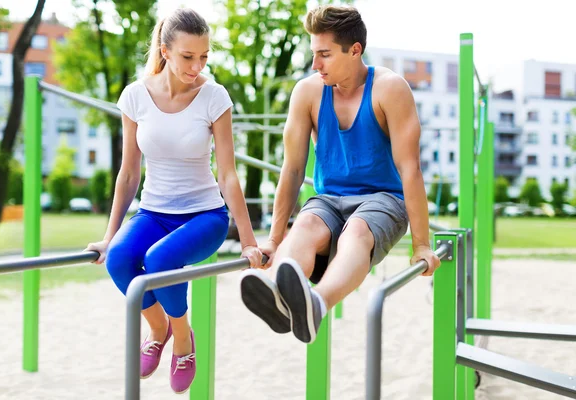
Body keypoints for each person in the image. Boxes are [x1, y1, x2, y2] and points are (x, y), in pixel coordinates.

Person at [85, 8, 263, 394]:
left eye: (203, 57)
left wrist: (248, 240)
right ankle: (159, 328)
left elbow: (228, 174)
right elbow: (129, 173)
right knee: (119, 259)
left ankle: (183, 342)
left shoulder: (214, 96)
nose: (197, 66)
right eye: (188, 57)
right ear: (165, 51)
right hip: (153, 212)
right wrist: (108, 235)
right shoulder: (135, 96)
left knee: (162, 260)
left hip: (204, 216)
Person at [239, 5, 441, 344]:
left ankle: (317, 304)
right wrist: (274, 240)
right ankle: (277, 293)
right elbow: (291, 170)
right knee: (303, 225)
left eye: (324, 55)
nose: (315, 64)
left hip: (384, 199)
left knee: (356, 232)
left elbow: (410, 170)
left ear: (355, 50)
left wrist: (422, 244)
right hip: (329, 199)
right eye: (313, 54)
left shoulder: (390, 89)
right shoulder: (308, 92)